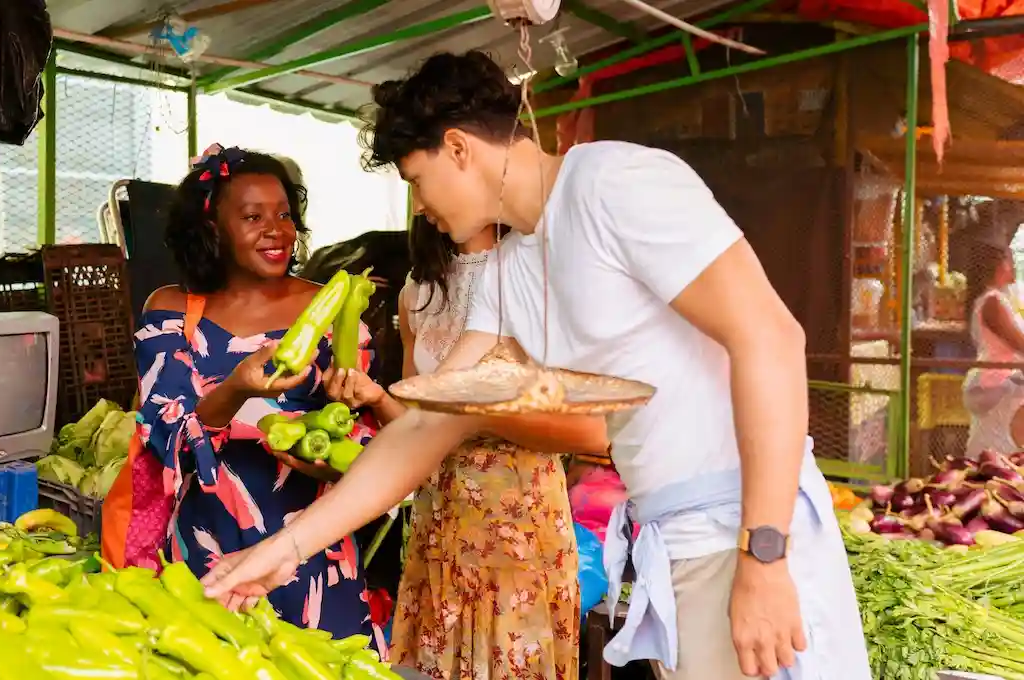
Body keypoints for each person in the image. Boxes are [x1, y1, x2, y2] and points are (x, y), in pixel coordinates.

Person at [202, 52, 871, 680]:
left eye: (417, 180)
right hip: (675, 542)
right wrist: (280, 553)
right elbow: (425, 427)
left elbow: (771, 338)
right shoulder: (510, 271)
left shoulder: (613, 183)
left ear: (459, 149)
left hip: (745, 529)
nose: (423, 209)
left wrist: (765, 553)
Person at [134, 144, 391, 642]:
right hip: (209, 545)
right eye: (253, 217)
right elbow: (163, 437)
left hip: (316, 549)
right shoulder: (170, 311)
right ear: (212, 229)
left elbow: (367, 431)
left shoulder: (332, 306)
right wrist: (235, 388)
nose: (276, 230)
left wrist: (335, 460)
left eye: (284, 214)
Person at [383, 215, 581, 679]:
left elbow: (581, 425)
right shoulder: (419, 289)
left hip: (517, 522)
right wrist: (375, 398)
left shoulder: (537, 274)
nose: (423, 197)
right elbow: (416, 420)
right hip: (440, 518)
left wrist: (482, 415)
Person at [963, 239, 1024, 457]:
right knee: (998, 446)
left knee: (995, 441)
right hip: (999, 382)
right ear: (999, 265)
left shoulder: (997, 299)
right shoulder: (993, 301)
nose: (1014, 266)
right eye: (1010, 260)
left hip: (1002, 380)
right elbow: (1019, 343)